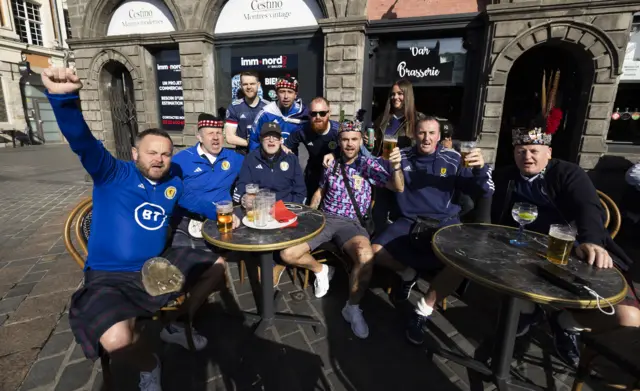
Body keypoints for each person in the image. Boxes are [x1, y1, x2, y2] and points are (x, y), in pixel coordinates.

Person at [42, 67, 234, 391]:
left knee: (217, 265)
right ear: (135, 154)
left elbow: (196, 200)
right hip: (110, 274)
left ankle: (175, 322)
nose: (159, 159)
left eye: (165, 154)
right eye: (152, 153)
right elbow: (82, 141)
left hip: (158, 263)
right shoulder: (112, 173)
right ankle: (150, 366)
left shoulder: (173, 181)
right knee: (117, 339)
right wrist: (64, 100)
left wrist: (228, 211)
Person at [490, 116, 640, 366]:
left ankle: (566, 323)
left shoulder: (568, 172)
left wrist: (592, 241)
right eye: (521, 151)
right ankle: (528, 313)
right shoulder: (505, 176)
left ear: (548, 153)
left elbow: (588, 207)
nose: (527, 156)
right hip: (523, 255)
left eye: (534, 151)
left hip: (574, 252)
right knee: (515, 298)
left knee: (629, 317)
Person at [369, 117, 494, 345]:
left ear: (439, 136)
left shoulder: (454, 159)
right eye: (422, 132)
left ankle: (423, 310)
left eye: (431, 133)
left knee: (461, 263)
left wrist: (480, 170)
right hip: (409, 220)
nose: (426, 138)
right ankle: (409, 274)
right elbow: (373, 171)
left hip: (443, 222)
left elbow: (482, 191)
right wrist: (383, 163)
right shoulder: (402, 155)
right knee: (374, 250)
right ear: (415, 134)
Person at [279, 115, 404, 339]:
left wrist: (396, 167)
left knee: (366, 257)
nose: (349, 144)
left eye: (354, 139)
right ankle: (322, 269)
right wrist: (309, 215)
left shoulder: (368, 165)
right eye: (345, 139)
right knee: (288, 253)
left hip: (352, 224)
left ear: (361, 141)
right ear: (339, 141)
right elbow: (320, 191)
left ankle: (352, 307)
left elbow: (397, 186)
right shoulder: (330, 163)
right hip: (325, 219)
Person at [171, 113, 244, 246]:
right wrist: (212, 211)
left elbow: (254, 170)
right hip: (190, 219)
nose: (216, 137)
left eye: (219, 133)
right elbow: (175, 193)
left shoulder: (233, 158)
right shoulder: (181, 160)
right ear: (199, 136)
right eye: (210, 133)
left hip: (225, 219)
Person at [284, 97, 372, 202]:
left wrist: (334, 154)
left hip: (337, 175)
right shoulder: (303, 130)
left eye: (322, 113)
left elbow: (355, 150)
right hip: (313, 172)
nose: (318, 117)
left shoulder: (338, 130)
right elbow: (287, 147)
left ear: (329, 113)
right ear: (308, 114)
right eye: (313, 113)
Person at [369, 79, 424, 234]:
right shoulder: (383, 118)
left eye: (400, 93)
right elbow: (376, 149)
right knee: (379, 215)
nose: (395, 97)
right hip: (383, 175)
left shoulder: (418, 120)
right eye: (393, 94)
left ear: (408, 95)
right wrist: (370, 143)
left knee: (401, 215)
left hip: (404, 174)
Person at [234, 122, 306, 205]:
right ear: (261, 139)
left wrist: (292, 207)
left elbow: (300, 191)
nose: (271, 140)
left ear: (280, 140)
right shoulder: (251, 158)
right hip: (259, 208)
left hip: (286, 207)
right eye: (267, 136)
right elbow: (242, 185)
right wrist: (243, 198)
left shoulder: (291, 159)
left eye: (275, 137)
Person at [248, 75, 307, 151]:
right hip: (267, 159)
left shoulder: (303, 113)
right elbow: (254, 141)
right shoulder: (266, 113)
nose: (286, 96)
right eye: (282, 92)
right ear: (276, 93)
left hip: (291, 159)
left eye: (290, 92)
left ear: (295, 95)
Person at [224, 71, 269, 155]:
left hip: (265, 156)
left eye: (252, 84)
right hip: (242, 156)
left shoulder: (269, 107)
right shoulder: (234, 107)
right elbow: (230, 137)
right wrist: (252, 144)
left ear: (258, 85)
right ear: (241, 86)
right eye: (245, 84)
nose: (249, 87)